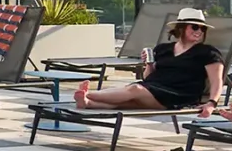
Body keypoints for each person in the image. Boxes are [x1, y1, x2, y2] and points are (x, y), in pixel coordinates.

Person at [74, 7, 223, 113]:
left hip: (179, 95)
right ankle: (87, 103)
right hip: (154, 88)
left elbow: (216, 81)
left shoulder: (208, 52)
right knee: (129, 100)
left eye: (203, 29)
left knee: (135, 90)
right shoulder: (163, 49)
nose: (199, 31)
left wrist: (211, 103)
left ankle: (88, 95)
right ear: (181, 28)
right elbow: (148, 78)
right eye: (195, 27)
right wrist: (149, 64)